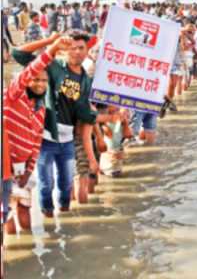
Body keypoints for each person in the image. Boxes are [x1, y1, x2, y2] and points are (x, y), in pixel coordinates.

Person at [12, 33, 114, 217]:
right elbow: (18, 54)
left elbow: (85, 114)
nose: (76, 52)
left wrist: (111, 119)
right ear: (65, 50)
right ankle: (48, 216)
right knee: (46, 183)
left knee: (66, 184)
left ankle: (65, 222)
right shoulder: (53, 67)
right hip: (44, 139)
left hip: (68, 142)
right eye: (72, 47)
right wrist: (51, 42)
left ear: (86, 51)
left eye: (80, 48)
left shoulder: (86, 81)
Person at [3, 35, 71, 233]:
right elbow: (28, 68)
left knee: (25, 214)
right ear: (27, 80)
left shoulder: (40, 108)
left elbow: (35, 142)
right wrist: (52, 47)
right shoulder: (13, 96)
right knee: (7, 220)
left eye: (44, 81)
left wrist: (28, 170)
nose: (40, 84)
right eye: (36, 80)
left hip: (22, 170)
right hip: (4, 168)